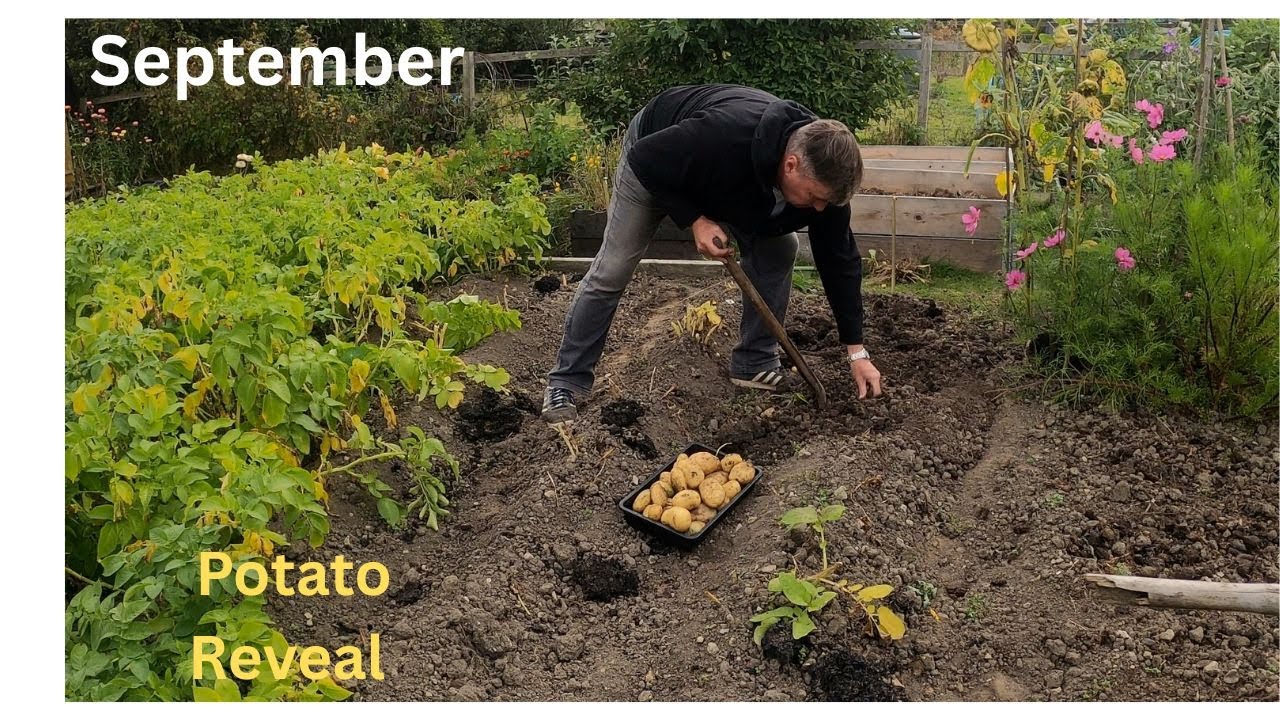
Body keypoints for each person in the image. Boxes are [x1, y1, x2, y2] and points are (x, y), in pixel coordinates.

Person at [542, 83, 882, 423]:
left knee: (781, 248)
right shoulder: (724, 137)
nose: (819, 208)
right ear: (791, 165)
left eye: (826, 200)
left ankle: (754, 363)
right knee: (613, 268)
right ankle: (566, 382)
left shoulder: (827, 181)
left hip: (726, 181)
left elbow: (840, 260)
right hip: (656, 159)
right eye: (814, 197)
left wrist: (857, 351)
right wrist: (694, 219)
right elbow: (644, 157)